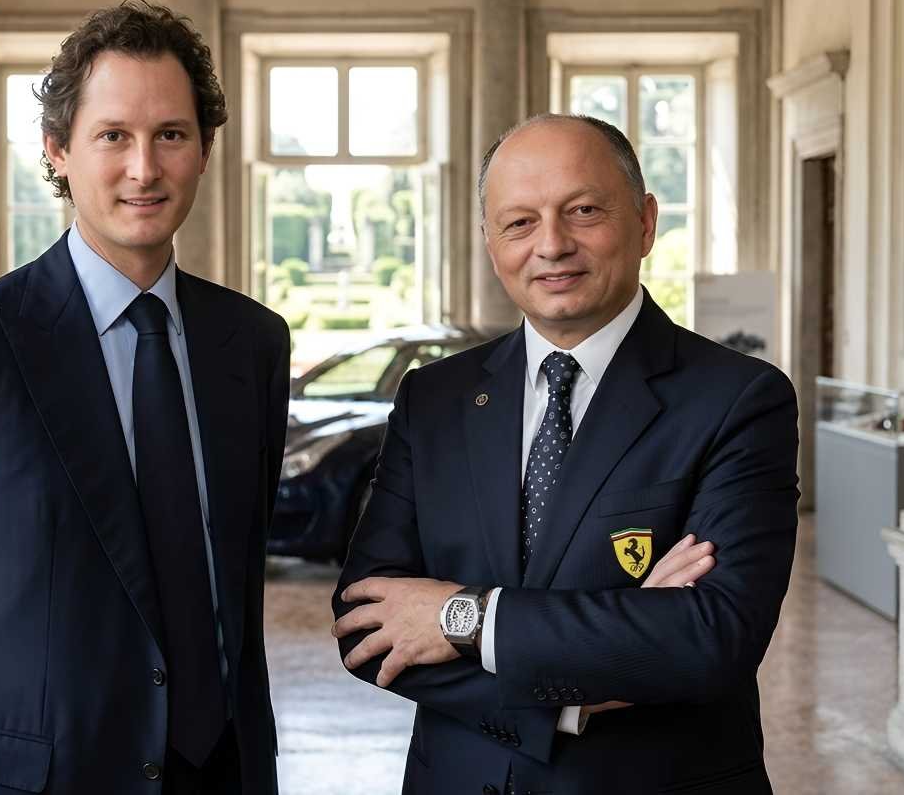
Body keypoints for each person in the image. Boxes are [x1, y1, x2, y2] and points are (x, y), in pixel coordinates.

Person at [0, 0, 288, 795]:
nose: (144, 168)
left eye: (170, 134)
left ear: (203, 149)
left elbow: (232, 574)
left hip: (220, 771)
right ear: (57, 150)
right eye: (112, 135)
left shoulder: (252, 343)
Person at [332, 113, 799, 794]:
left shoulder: (738, 398)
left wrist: (463, 617)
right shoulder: (433, 398)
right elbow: (366, 623)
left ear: (645, 222)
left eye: (583, 211)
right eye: (519, 222)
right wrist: (575, 694)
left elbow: (711, 638)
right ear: (490, 243)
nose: (551, 245)